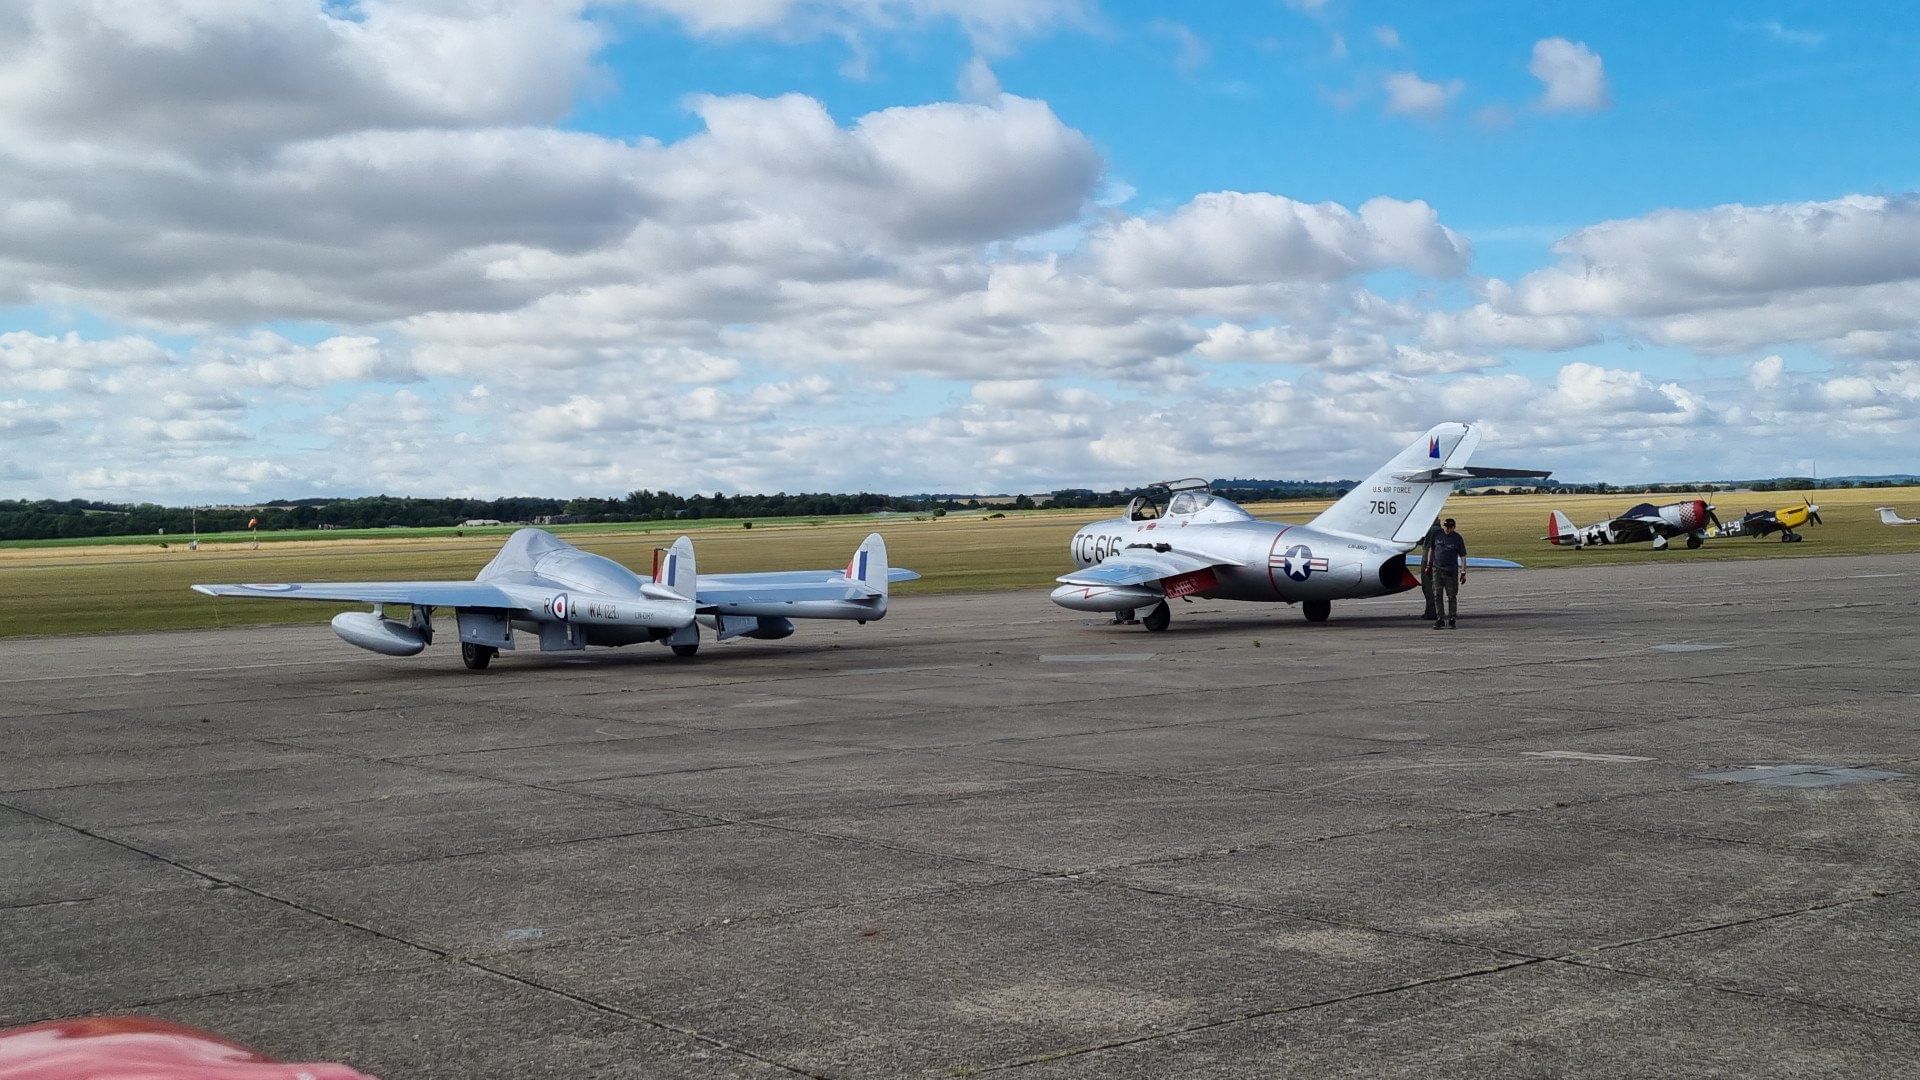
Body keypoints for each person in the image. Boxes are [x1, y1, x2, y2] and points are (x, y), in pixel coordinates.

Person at [1431, 517, 1467, 629]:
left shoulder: (1457, 539)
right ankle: (1440, 618)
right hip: (1437, 569)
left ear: (1454, 527)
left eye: (1449, 527)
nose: (1447, 529)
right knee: (1437, 594)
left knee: (1451, 595)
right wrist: (1428, 564)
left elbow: (1463, 556)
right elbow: (1432, 550)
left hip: (1451, 571)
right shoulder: (1438, 535)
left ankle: (1452, 617)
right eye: (1446, 526)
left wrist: (1463, 571)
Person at [1416, 522, 1442, 621]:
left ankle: (1432, 612)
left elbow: (1420, 541)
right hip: (1435, 558)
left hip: (1428, 557)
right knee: (1433, 586)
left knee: (1428, 586)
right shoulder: (1438, 530)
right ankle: (1431, 611)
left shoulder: (1431, 529)